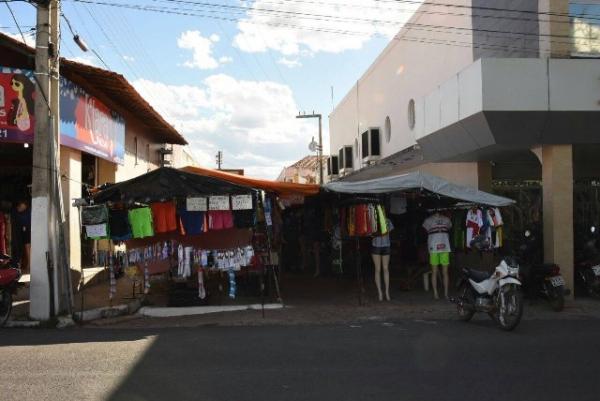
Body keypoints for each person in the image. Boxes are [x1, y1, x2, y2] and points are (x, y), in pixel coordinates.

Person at [422, 212, 452, 300]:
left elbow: (449, 227)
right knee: (434, 272)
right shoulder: (428, 220)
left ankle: (446, 293)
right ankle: (435, 293)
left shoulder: (447, 219)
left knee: (445, 272)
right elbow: (425, 229)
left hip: (445, 247)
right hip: (433, 248)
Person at [372, 218, 394, 301]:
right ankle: (380, 292)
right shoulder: (373, 219)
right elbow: (370, 233)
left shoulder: (388, 220)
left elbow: (390, 231)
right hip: (376, 245)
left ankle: (387, 292)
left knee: (385, 268)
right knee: (378, 269)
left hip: (386, 245)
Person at [12, 200, 31, 273]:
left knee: (27, 248)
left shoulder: (28, 212)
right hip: (20, 234)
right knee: (23, 249)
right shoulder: (16, 212)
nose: (21, 209)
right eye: (20, 208)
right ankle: (23, 265)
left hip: (26, 233)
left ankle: (28, 265)